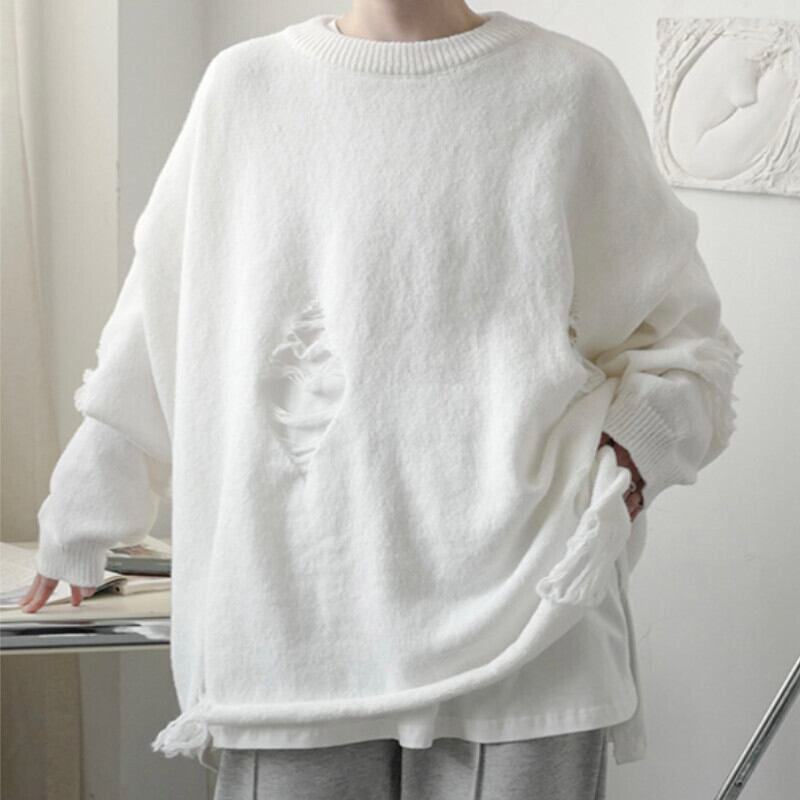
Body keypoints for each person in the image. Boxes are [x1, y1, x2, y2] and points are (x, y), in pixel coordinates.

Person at [21, 2, 743, 798]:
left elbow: (684, 337)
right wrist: (84, 512)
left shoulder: (569, 87)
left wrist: (630, 459)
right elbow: (158, 317)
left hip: (529, 623)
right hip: (294, 621)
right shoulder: (246, 88)